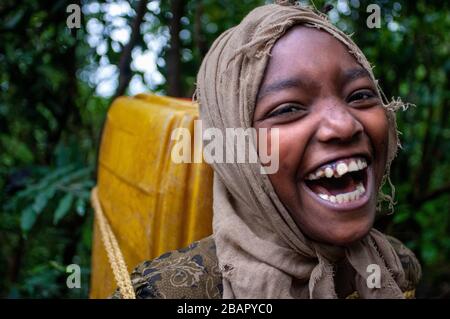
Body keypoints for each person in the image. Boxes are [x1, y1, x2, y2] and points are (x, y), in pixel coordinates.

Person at [112, 1, 421, 299]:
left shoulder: (395, 265)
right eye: (289, 108)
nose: (344, 125)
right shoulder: (164, 292)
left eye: (360, 95)